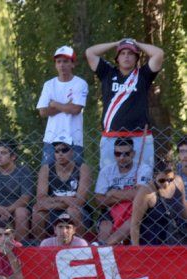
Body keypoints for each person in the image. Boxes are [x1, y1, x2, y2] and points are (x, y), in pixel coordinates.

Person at [85, 38, 164, 169]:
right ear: (117, 58)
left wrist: (136, 43)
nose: (126, 56)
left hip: (140, 137)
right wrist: (116, 43)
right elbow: (90, 52)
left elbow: (158, 53)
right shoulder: (107, 73)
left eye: (130, 53)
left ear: (136, 58)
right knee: (109, 178)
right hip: (111, 137)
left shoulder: (143, 75)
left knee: (143, 178)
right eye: (122, 53)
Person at [95, 138, 153, 245]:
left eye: (126, 154)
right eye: (118, 154)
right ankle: (102, 247)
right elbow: (99, 201)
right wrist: (129, 195)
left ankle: (104, 248)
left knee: (132, 220)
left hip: (135, 209)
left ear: (133, 153)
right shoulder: (106, 171)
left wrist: (113, 194)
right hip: (110, 211)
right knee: (105, 226)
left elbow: (141, 194)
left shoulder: (144, 169)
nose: (122, 158)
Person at [36, 46, 88, 164]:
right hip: (51, 139)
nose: (62, 65)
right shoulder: (49, 84)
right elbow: (43, 112)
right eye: (58, 62)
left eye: (65, 61)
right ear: (55, 65)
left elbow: (76, 109)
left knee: (75, 173)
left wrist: (54, 104)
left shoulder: (80, 83)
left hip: (74, 139)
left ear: (73, 64)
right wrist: (66, 106)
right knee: (47, 173)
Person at [31, 138, 91, 239]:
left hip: (79, 212)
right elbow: (40, 199)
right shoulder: (46, 169)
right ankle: (41, 246)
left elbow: (79, 201)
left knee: (73, 211)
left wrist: (52, 203)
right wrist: (65, 199)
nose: (60, 154)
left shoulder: (82, 168)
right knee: (38, 213)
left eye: (64, 150)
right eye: (57, 151)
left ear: (72, 151)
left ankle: (79, 246)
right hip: (53, 211)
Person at [130, 160, 187, 245]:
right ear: (154, 176)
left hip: (176, 239)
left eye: (170, 180)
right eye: (162, 180)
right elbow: (135, 224)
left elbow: (183, 208)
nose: (167, 184)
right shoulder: (146, 193)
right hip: (153, 243)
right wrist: (136, 250)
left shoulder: (178, 181)